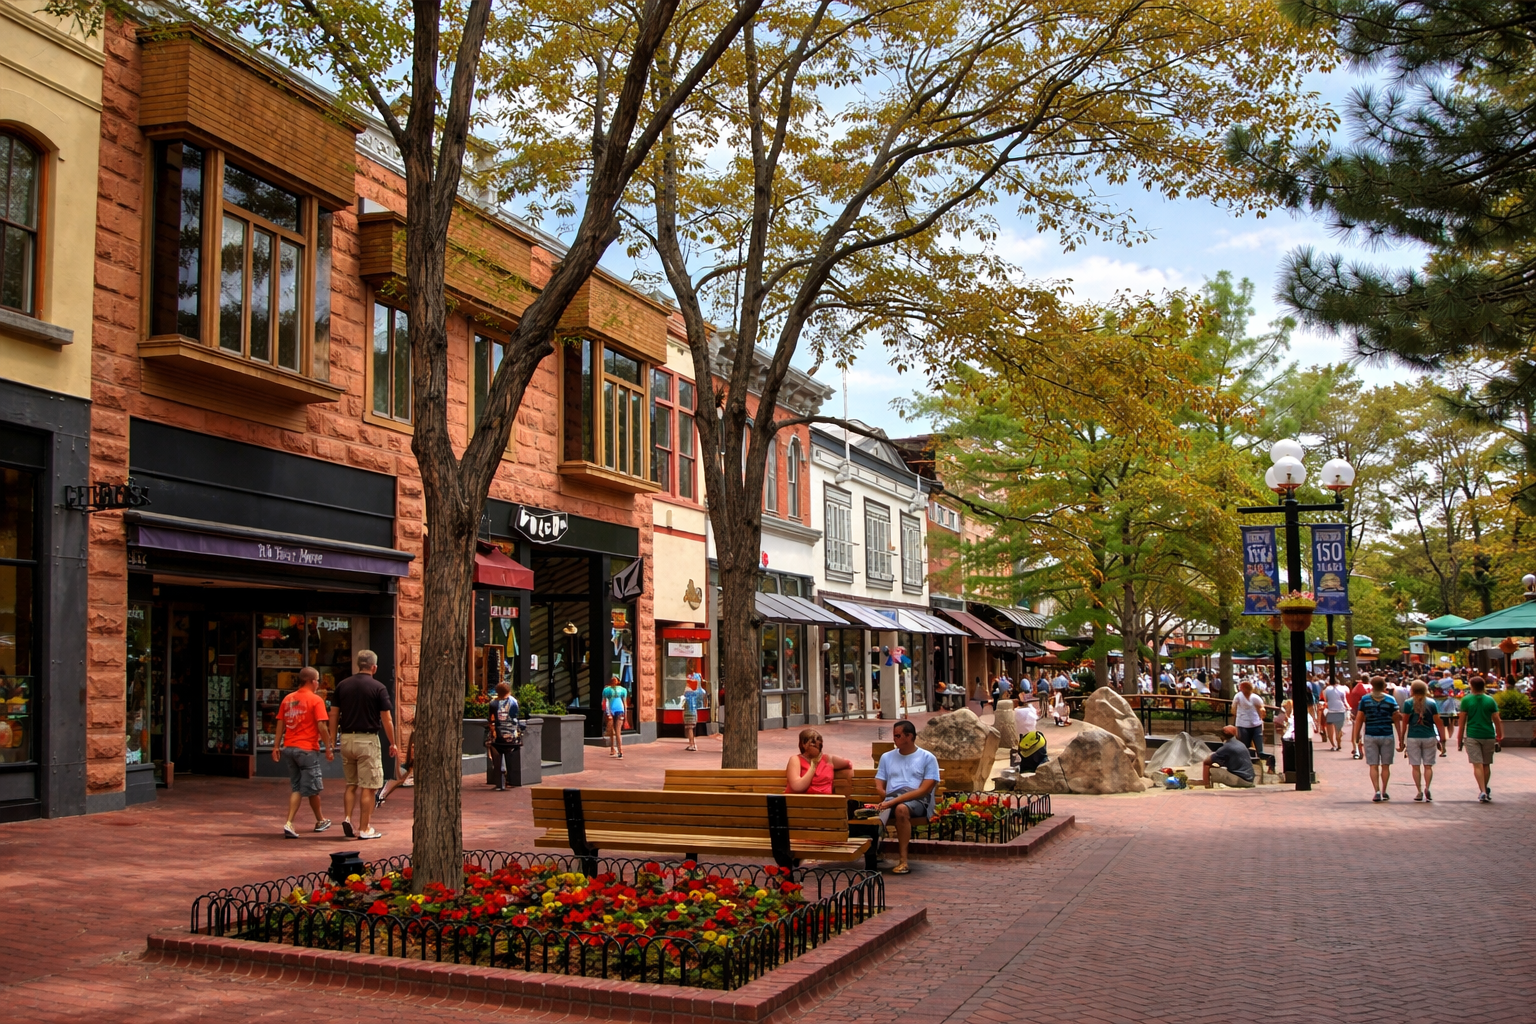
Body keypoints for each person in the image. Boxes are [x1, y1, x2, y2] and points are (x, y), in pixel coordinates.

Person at [332, 650, 397, 839]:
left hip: (346, 739)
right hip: (367, 740)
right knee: (369, 786)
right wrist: (392, 742)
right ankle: (365, 828)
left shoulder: (342, 686)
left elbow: (334, 714)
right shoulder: (378, 688)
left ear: (358, 665)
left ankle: (347, 817)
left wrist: (330, 741)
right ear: (374, 667)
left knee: (351, 784)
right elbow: (387, 719)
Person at [871, 721, 940, 875]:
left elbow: (924, 790)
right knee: (863, 813)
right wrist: (886, 797)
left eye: (898, 735)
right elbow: (879, 783)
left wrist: (892, 802)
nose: (894, 739)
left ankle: (903, 861)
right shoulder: (887, 757)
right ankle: (873, 854)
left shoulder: (927, 758)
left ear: (909, 736)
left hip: (917, 802)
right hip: (890, 800)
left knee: (901, 809)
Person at [272, 667, 333, 839]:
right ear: (312, 681)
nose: (319, 683)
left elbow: (280, 724)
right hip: (307, 749)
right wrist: (328, 746)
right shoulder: (316, 700)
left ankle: (319, 819)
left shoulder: (288, 699)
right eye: (317, 680)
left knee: (302, 787)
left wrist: (276, 746)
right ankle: (291, 822)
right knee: (306, 787)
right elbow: (322, 726)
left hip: (289, 748)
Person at [1456, 675, 1504, 803]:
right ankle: (1484, 789)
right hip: (1488, 735)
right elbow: (1496, 720)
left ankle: (1482, 790)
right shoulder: (1490, 700)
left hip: (1472, 735)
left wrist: (1459, 739)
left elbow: (1462, 723)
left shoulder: (1466, 700)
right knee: (1486, 764)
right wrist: (1499, 735)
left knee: (1477, 765)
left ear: (1471, 686)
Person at [1352, 676, 1399, 802]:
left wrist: (1356, 736)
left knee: (1373, 765)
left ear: (1371, 686)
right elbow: (1396, 718)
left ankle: (1377, 791)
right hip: (1387, 733)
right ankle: (1384, 790)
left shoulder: (1365, 700)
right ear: (1384, 686)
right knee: (1385, 765)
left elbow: (1360, 718)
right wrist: (1400, 737)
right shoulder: (1391, 700)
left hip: (1371, 734)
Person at [1397, 680, 1445, 802]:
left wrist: (1402, 740)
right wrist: (1442, 738)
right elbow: (1438, 721)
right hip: (1429, 736)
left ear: (1412, 690)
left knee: (1415, 766)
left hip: (1413, 737)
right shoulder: (1432, 703)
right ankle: (1428, 787)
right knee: (1428, 766)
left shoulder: (1408, 703)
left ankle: (1419, 791)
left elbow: (1405, 723)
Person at [785, 728, 853, 794]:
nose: (817, 744)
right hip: (800, 802)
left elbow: (848, 763)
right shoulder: (795, 759)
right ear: (804, 744)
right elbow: (797, 787)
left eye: (819, 743)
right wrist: (813, 766)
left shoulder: (827, 759)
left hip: (826, 802)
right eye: (813, 743)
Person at [486, 682, 522, 790]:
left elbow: (491, 720)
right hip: (511, 737)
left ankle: (499, 783)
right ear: (508, 691)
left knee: (497, 760)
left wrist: (493, 733)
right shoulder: (514, 702)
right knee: (510, 757)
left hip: (498, 737)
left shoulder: (493, 703)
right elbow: (515, 717)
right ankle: (510, 780)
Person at [1231, 680, 1266, 765]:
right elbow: (1233, 709)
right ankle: (1245, 763)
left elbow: (1262, 708)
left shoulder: (1255, 698)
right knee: (1244, 746)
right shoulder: (1238, 697)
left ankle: (1259, 762)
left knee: (1259, 748)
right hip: (1243, 724)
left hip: (1255, 724)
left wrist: (1261, 715)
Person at [376, 731, 413, 808]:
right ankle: (380, 795)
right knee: (397, 779)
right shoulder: (406, 767)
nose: (414, 750)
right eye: (412, 747)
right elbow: (399, 777)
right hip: (395, 778)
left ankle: (381, 795)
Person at [602, 675, 628, 758]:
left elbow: (625, 703)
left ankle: (620, 750)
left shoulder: (622, 690)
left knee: (617, 731)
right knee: (611, 731)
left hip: (620, 710)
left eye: (615, 680)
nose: (613, 681)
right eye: (612, 680)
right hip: (610, 711)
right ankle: (612, 748)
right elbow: (604, 702)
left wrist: (626, 717)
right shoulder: (607, 690)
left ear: (618, 681)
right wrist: (607, 712)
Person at [1346, 674, 1371, 759]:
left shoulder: (1357, 688)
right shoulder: (1372, 688)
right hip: (1371, 714)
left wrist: (1352, 712)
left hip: (1358, 712)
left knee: (1356, 731)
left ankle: (1357, 748)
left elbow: (1353, 702)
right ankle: (1362, 748)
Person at [681, 672, 707, 751]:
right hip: (694, 711)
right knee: (691, 729)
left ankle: (692, 744)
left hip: (689, 711)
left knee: (689, 729)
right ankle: (692, 744)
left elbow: (684, 702)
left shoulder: (688, 691)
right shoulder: (697, 691)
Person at [1322, 678, 1350, 751]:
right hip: (1341, 711)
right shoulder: (1343, 688)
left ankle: (1333, 745)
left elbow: (1326, 701)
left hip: (1331, 711)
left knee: (1330, 730)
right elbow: (1344, 700)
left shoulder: (1326, 690)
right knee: (1338, 729)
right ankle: (1339, 743)